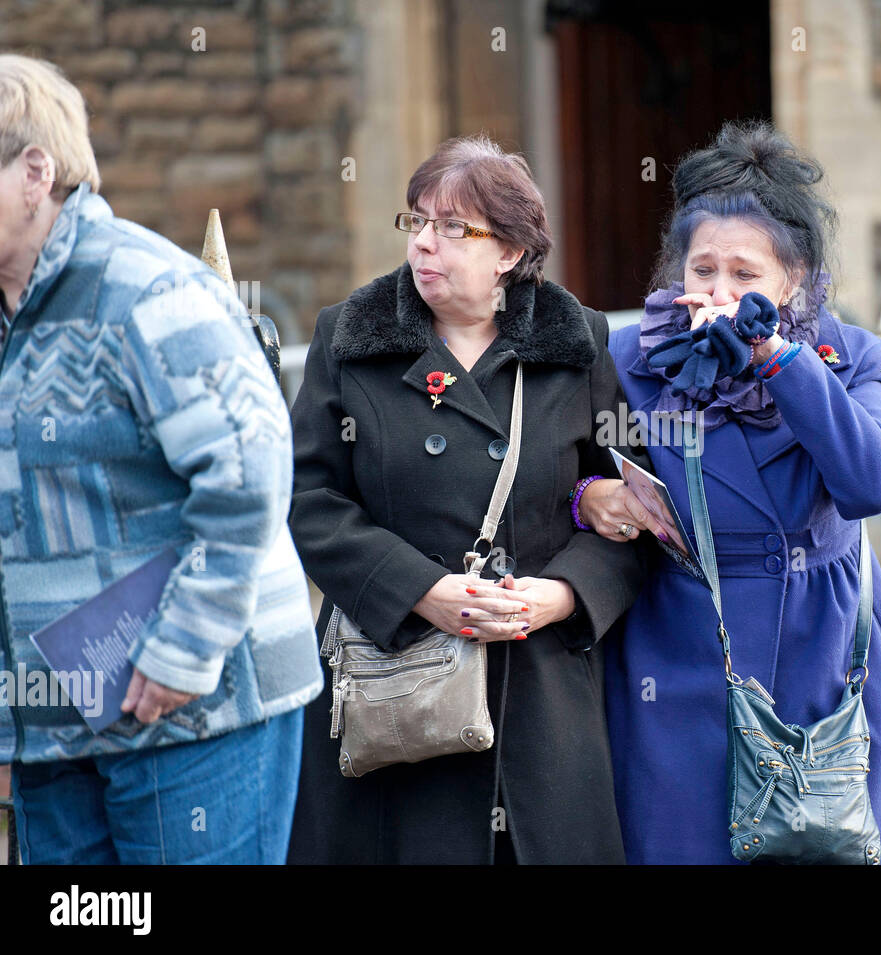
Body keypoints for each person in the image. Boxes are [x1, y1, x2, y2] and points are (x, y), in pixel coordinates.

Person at [578, 121, 881, 864]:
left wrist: (779, 360)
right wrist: (589, 495)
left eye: (744, 275)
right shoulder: (628, 360)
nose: (719, 293)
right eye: (703, 271)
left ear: (794, 280)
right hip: (681, 654)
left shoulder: (850, 356)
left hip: (823, 653)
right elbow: (561, 474)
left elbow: (874, 482)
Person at [286, 135, 651, 864]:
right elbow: (310, 499)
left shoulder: (576, 342)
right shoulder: (349, 338)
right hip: (393, 697)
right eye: (417, 220)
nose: (425, 243)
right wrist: (422, 591)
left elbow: (630, 511)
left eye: (455, 228)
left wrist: (559, 596)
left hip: (541, 701)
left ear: (510, 251)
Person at [0, 54, 320, 864]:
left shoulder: (145, 289)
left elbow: (251, 472)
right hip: (53, 722)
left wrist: (183, 649)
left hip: (199, 703)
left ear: (35, 172)